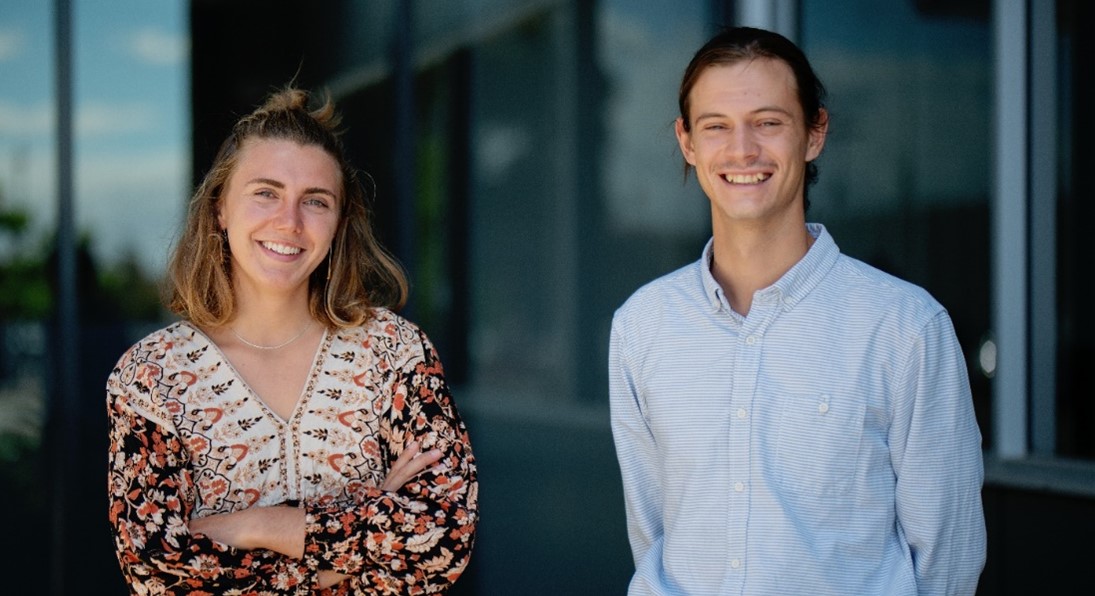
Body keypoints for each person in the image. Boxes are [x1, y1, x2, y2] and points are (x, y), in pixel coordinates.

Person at [609, 26, 985, 595]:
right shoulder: (642, 325)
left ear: (815, 133)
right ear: (688, 143)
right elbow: (653, 531)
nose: (742, 151)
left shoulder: (905, 328)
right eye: (716, 127)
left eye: (768, 122)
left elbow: (947, 560)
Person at [106, 87, 478, 594]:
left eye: (316, 201)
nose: (290, 221)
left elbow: (442, 537)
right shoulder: (152, 377)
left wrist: (258, 526)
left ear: (340, 223)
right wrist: (370, 515)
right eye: (266, 192)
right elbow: (157, 574)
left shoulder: (396, 352)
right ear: (220, 208)